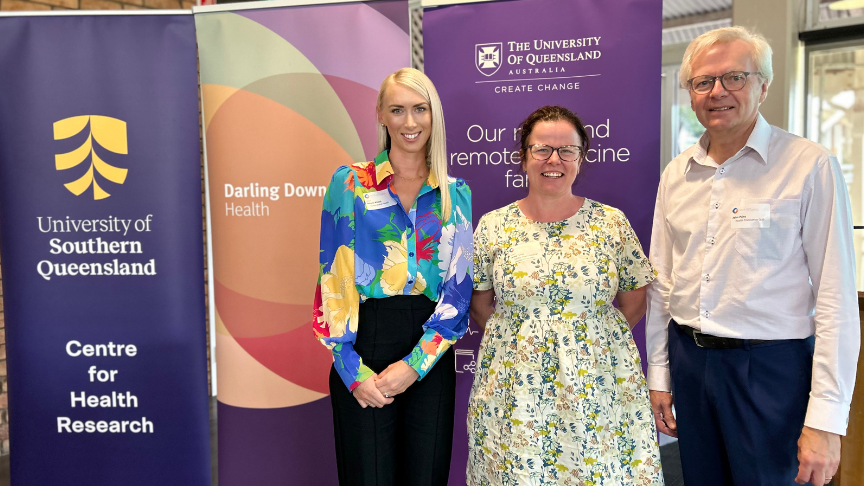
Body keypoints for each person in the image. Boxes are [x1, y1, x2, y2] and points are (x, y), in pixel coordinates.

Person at [646, 26, 859, 486]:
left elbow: (836, 299)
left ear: (763, 85)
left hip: (770, 371)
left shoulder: (809, 165)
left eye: (735, 77)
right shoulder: (676, 174)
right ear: (690, 93)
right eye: (703, 82)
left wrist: (826, 419)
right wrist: (660, 374)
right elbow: (661, 282)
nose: (717, 92)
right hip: (690, 363)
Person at [467, 105, 663, 486]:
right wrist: (524, 340)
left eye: (567, 151)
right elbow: (479, 304)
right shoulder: (493, 226)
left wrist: (586, 341)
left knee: (597, 469)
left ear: (581, 159)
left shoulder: (611, 223)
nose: (553, 160)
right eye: (542, 149)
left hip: (599, 382)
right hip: (513, 383)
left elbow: (635, 299)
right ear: (523, 157)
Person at [312, 67, 473, 486]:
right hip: (363, 345)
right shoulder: (349, 184)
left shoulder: (455, 194)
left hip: (429, 352)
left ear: (433, 116)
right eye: (398, 109)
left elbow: (457, 293)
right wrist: (352, 371)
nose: (410, 122)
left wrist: (414, 366)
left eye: (420, 109)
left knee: (426, 476)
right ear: (380, 114)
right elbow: (333, 280)